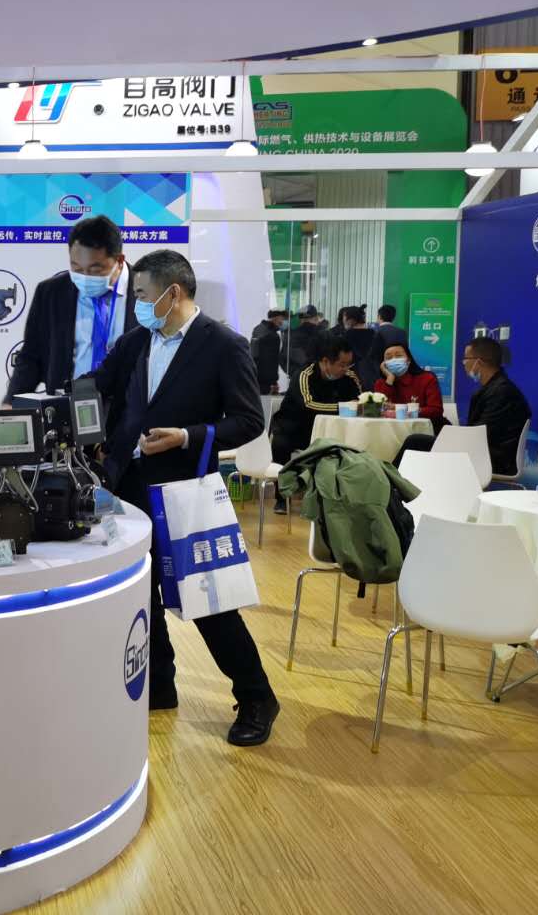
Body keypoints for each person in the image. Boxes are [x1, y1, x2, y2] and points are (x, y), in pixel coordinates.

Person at [90, 249, 279, 746]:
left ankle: (257, 697)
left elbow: (249, 420)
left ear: (172, 293)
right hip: (128, 488)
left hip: (183, 489)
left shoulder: (223, 345)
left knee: (208, 601)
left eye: (142, 294)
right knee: (141, 593)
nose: (137, 303)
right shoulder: (136, 340)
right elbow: (99, 388)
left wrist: (187, 436)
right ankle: (159, 685)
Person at [4, 214, 138, 403]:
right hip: (67, 405)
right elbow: (31, 356)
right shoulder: (51, 293)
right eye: (77, 268)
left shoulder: (147, 290)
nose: (85, 276)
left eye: (95, 270)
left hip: (126, 409)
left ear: (119, 260)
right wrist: (11, 402)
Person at [397, 337, 532, 475]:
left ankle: (393, 483)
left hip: (492, 459)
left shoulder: (501, 392)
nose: (463, 363)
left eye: (466, 359)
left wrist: (448, 433)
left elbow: (478, 435)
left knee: (415, 441)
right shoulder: (495, 388)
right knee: (425, 437)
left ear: (478, 362)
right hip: (482, 450)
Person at [270, 332, 363, 514]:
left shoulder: (350, 377)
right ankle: (282, 497)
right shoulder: (305, 375)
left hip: (331, 430)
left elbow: (360, 402)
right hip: (296, 428)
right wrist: (344, 407)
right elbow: (308, 405)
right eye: (341, 364)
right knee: (280, 444)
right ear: (325, 361)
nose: (346, 369)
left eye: (349, 364)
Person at [373, 343, 443, 430]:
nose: (393, 360)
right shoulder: (381, 383)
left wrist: (400, 408)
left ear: (408, 360)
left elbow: (436, 411)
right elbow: (378, 410)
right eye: (389, 358)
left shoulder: (427, 378)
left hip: (425, 430)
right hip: (391, 430)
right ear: (384, 364)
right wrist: (390, 379)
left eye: (398, 356)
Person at [249, 309, 287, 394]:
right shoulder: (273, 336)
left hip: (255, 376)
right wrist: (273, 382)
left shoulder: (258, 328)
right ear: (276, 318)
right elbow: (271, 362)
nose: (285, 322)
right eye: (283, 319)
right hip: (266, 383)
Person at [341, 306, 379, 388]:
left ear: (351, 320)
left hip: (352, 374)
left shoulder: (347, 336)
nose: (344, 320)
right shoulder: (374, 334)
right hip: (373, 374)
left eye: (345, 318)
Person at [286, 304, 323, 375]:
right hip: (318, 375)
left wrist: (294, 373)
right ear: (315, 318)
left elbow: (285, 359)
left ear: (301, 319)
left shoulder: (292, 334)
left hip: (298, 375)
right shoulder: (322, 334)